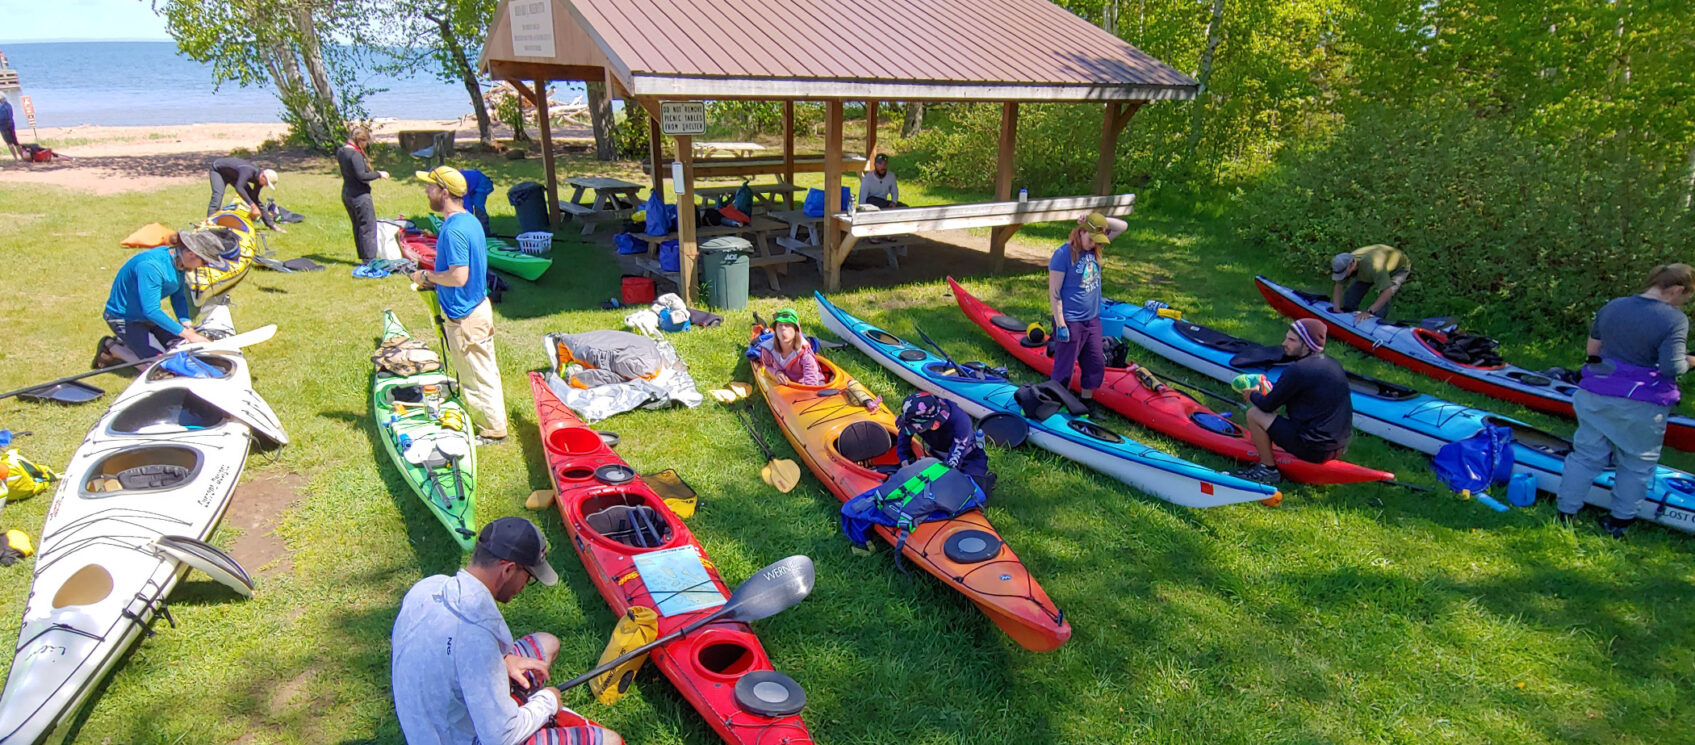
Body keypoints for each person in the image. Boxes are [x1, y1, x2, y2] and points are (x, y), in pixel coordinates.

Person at [392, 517, 622, 745]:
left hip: (433, 717)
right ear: (509, 570)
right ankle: (519, 708)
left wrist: (505, 660)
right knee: (610, 741)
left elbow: (449, 653)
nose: (525, 585)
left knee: (547, 643)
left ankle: (512, 703)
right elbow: (501, 738)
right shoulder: (476, 637)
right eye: (529, 577)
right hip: (460, 738)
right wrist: (548, 701)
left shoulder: (429, 587)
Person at [1554, 264, 1695, 538]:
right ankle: (1618, 522)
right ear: (1677, 289)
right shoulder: (1674, 320)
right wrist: (1691, 360)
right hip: (1641, 402)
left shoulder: (1614, 306)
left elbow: (1593, 350)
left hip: (1595, 392)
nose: (1683, 303)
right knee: (1636, 461)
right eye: (1685, 297)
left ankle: (1565, 514)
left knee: (1585, 455)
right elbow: (1672, 367)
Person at [410, 166, 507, 443]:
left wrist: (427, 275)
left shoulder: (453, 231)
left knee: (476, 375)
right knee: (483, 370)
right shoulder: (469, 220)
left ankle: (493, 430)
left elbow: (458, 275)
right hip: (477, 306)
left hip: (465, 315)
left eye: (430, 187)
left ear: (444, 192)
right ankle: (492, 420)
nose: (426, 191)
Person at [1231, 319, 1355, 485]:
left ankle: (1267, 470)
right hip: (1338, 446)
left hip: (1315, 449)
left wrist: (1252, 394)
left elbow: (1267, 405)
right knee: (1268, 412)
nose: (1284, 343)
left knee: (1254, 414)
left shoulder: (1298, 370)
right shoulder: (1332, 364)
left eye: (1291, 340)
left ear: (1306, 345)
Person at [97, 228, 231, 365]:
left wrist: (186, 324)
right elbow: (151, 310)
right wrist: (189, 335)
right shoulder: (152, 267)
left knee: (183, 351)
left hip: (147, 317)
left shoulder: (180, 262)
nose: (203, 266)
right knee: (160, 366)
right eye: (205, 262)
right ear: (192, 253)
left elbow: (178, 296)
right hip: (124, 318)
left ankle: (132, 342)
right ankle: (111, 347)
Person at [1048, 212, 1128, 405]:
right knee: (1064, 367)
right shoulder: (1062, 255)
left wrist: (1096, 220)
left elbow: (1122, 226)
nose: (1095, 244)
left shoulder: (1094, 249)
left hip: (1092, 319)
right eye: (1092, 239)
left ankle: (1087, 401)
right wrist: (1060, 324)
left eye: (1098, 241)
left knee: (1095, 362)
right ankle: (1056, 402)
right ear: (1081, 232)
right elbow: (1054, 293)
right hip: (1070, 320)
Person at [894, 392, 995, 496]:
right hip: (937, 452)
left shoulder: (960, 421)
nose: (916, 431)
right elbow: (905, 434)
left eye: (919, 428)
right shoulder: (912, 416)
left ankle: (988, 480)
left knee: (968, 491)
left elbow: (954, 460)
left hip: (968, 456)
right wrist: (904, 460)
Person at [338, 125, 390, 262]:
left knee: (357, 226)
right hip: (360, 195)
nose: (366, 145)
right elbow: (362, 175)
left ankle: (363, 257)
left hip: (347, 192)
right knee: (368, 227)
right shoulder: (355, 154)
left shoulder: (342, 151)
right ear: (360, 140)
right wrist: (379, 174)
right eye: (365, 142)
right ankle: (370, 260)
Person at [1329, 244, 1410, 321]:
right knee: (1351, 295)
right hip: (1373, 267)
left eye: (1343, 273)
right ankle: (1348, 319)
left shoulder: (1374, 266)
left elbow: (1387, 292)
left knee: (1383, 302)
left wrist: (1369, 312)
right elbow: (1339, 285)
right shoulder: (1345, 263)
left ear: (1352, 265)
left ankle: (1376, 325)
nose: (1342, 276)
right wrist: (1336, 308)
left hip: (1398, 268)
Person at [208, 157, 283, 232]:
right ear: (263, 176)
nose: (266, 185)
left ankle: (272, 225)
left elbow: (254, 198)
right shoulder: (248, 171)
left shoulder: (259, 181)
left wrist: (271, 223)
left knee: (255, 201)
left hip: (233, 175)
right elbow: (239, 187)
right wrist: (252, 206)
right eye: (266, 183)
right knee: (217, 196)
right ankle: (210, 225)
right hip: (218, 170)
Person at [757, 308, 823, 386]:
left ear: (796, 330)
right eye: (780, 325)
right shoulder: (768, 349)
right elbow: (766, 366)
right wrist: (776, 373)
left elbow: (812, 383)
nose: (783, 328)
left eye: (787, 325)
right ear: (775, 330)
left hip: (808, 383)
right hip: (786, 385)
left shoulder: (805, 354)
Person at [0, 92, 20, 162]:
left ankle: (16, 158)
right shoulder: (8, 105)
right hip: (11, 123)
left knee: (9, 143)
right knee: (15, 142)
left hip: (3, 126)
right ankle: (22, 156)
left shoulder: (1, 107)